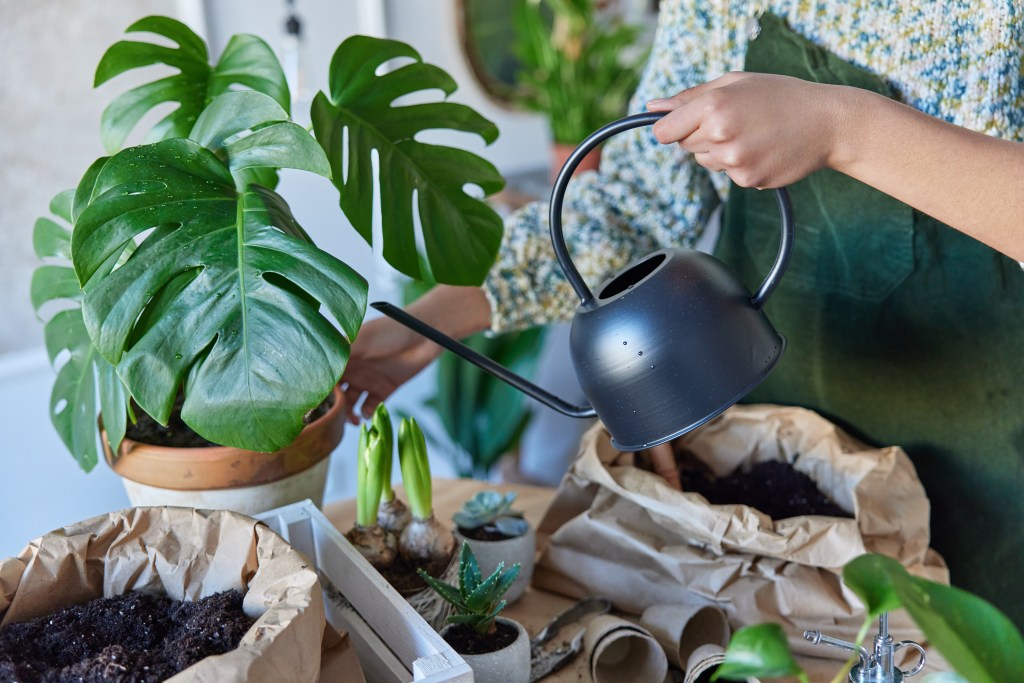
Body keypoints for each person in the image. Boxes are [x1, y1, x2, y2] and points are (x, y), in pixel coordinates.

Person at [341, 3, 1024, 627]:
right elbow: (638, 201)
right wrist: (427, 322)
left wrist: (841, 128)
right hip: (781, 447)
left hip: (993, 476)